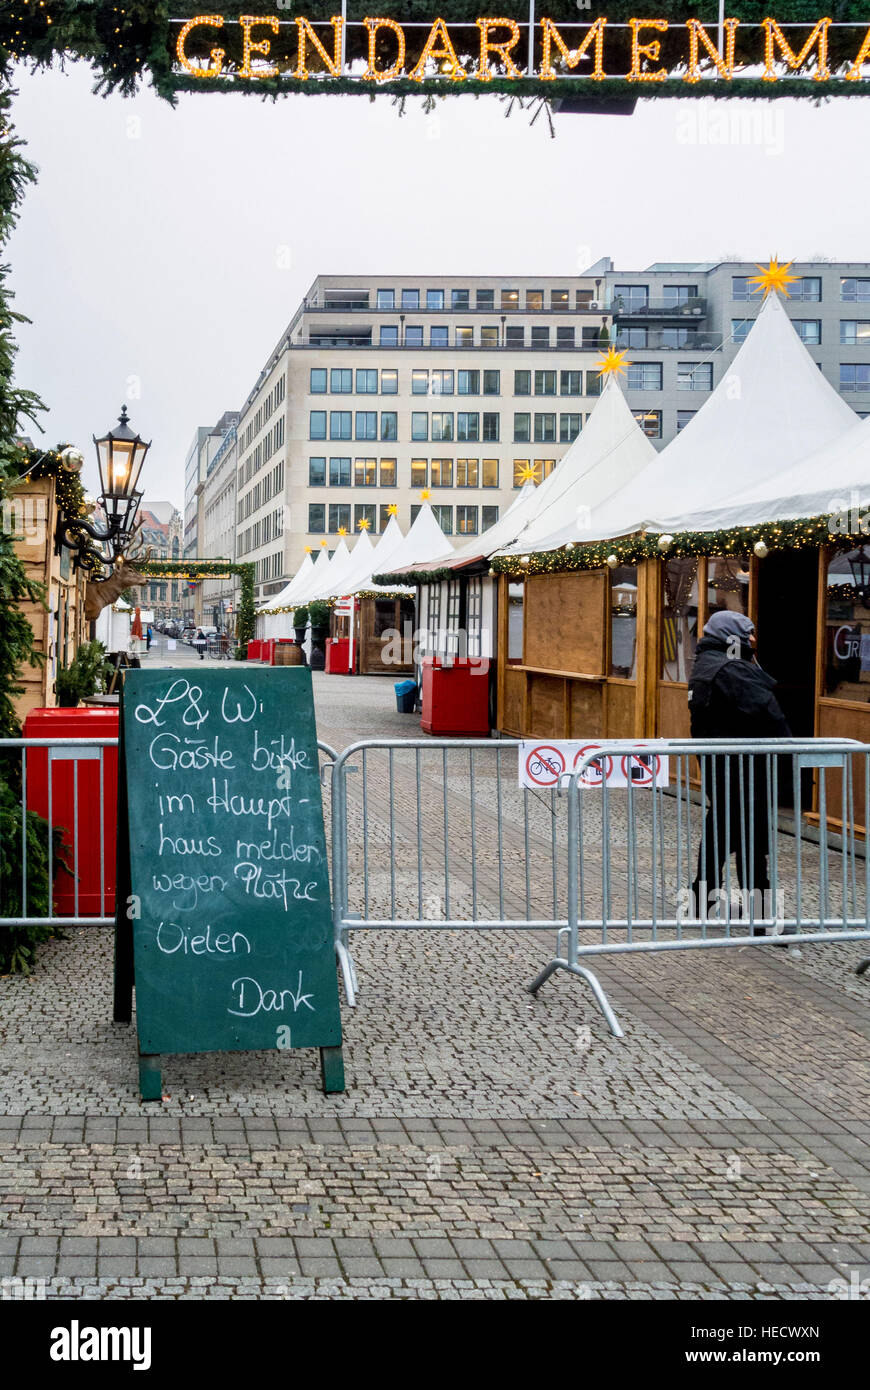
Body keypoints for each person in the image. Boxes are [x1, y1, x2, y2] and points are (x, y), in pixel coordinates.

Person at [688, 610, 791, 931]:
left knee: (719, 835)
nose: (754, 640)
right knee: (752, 845)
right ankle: (760, 918)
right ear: (733, 637)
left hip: (723, 770)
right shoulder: (731, 670)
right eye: (749, 634)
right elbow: (770, 714)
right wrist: (789, 756)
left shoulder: (708, 664)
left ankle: (701, 905)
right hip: (747, 773)